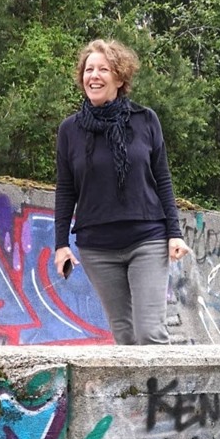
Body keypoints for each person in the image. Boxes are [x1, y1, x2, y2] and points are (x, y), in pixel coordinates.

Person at [53, 39, 191, 345]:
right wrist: (60, 244)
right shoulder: (70, 130)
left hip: (147, 239)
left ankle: (160, 394)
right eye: (89, 69)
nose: (94, 76)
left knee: (149, 333)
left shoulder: (145, 120)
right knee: (125, 338)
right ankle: (133, 396)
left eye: (104, 69)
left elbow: (162, 179)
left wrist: (175, 233)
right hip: (97, 247)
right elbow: (65, 190)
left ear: (120, 78)